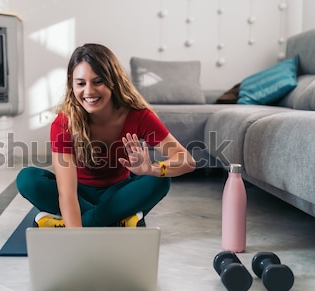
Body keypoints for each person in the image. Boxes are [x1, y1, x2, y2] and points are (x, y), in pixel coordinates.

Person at [16, 43, 196, 228]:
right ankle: (116, 219)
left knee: (159, 181)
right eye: (80, 83)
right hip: (79, 193)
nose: (88, 91)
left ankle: (69, 222)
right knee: (28, 179)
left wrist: (152, 169)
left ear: (113, 80)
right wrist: (77, 239)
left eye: (97, 81)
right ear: (71, 84)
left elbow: (187, 161)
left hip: (117, 192)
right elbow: (67, 192)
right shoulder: (64, 123)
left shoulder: (138, 116)